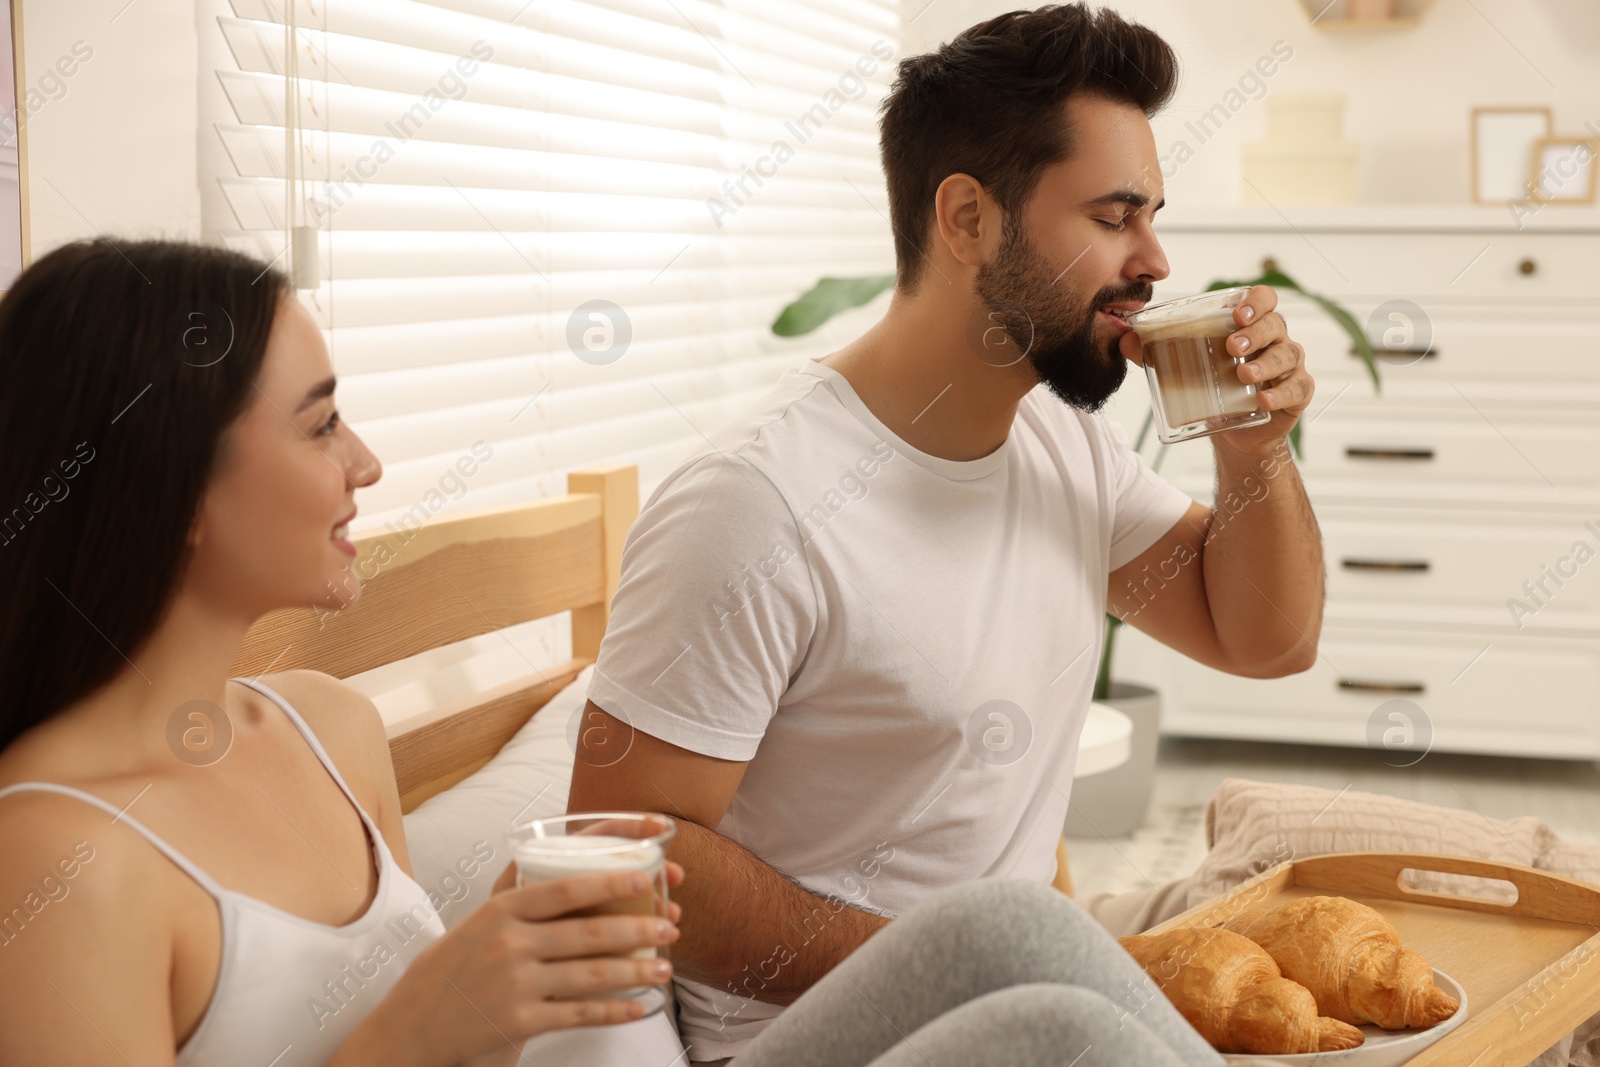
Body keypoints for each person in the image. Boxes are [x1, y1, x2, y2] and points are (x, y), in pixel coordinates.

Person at [0, 238, 1228, 1066]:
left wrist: (506, 956)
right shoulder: (57, 858)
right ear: (173, 491)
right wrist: (417, 1029)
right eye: (321, 423)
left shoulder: (327, 725)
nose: (366, 461)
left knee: (1014, 942)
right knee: (1058, 1040)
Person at [566, 4, 1324, 1062]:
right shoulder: (754, 502)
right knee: (1055, 999)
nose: (1154, 258)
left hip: (1014, 993)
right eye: (1113, 217)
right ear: (966, 218)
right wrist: (960, 959)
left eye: (1150, 215)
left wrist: (1254, 449)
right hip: (808, 1038)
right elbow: (624, 855)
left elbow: (1265, 639)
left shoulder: (1061, 446)